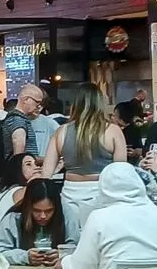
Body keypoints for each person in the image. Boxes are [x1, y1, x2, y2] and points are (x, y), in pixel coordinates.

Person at [41, 86, 126, 234]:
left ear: (75, 104)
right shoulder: (113, 131)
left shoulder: (61, 132)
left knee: (72, 239)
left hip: (69, 194)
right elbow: (121, 174)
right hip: (102, 192)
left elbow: (46, 174)